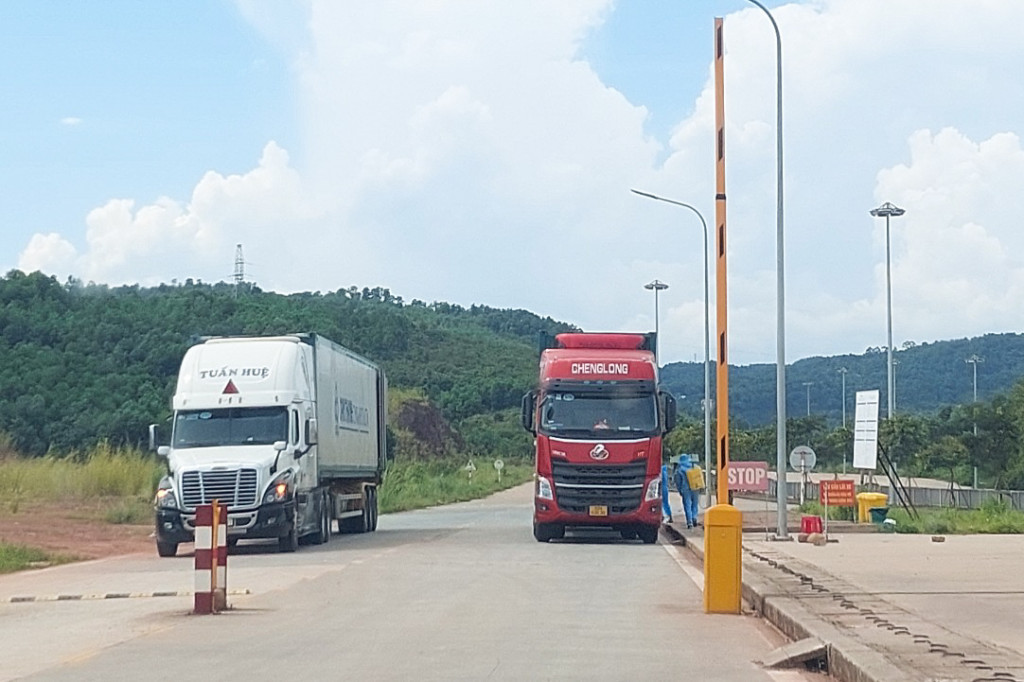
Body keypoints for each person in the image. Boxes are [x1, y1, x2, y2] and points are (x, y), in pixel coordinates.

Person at [673, 453, 700, 528]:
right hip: (695, 488)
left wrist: (680, 491)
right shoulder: (695, 467)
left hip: (685, 489)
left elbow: (678, 482)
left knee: (687, 505)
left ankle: (690, 522)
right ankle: (694, 517)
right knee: (695, 504)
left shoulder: (680, 470)